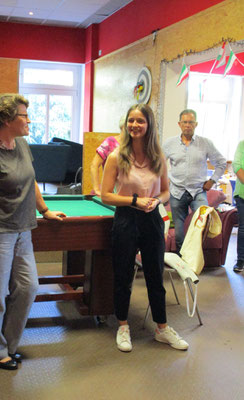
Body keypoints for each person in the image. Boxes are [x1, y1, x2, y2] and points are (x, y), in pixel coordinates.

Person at [0, 93, 66, 370]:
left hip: (24, 231)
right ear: (6, 119)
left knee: (27, 287)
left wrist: (44, 209)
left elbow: (31, 179)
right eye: (24, 115)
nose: (28, 120)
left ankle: (8, 345)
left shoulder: (22, 145)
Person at [101, 103, 189, 352]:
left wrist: (155, 201)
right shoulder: (116, 156)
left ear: (149, 125)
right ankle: (123, 326)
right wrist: (134, 201)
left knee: (154, 274)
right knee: (123, 275)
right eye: (131, 120)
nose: (134, 125)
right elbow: (106, 195)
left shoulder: (158, 157)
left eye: (140, 121)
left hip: (151, 219)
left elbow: (165, 192)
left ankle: (162, 328)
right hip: (126, 218)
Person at [163, 109, 226, 252]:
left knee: (202, 223)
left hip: (198, 191)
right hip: (177, 192)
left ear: (196, 124)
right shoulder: (169, 144)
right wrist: (164, 181)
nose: (187, 125)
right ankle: (181, 260)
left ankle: (195, 257)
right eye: (184, 122)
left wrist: (212, 181)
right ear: (179, 124)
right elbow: (158, 164)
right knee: (179, 230)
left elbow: (221, 163)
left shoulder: (205, 143)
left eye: (191, 122)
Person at [90, 115, 125, 196]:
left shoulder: (134, 145)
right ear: (122, 126)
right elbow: (94, 165)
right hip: (110, 192)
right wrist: (96, 189)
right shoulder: (110, 142)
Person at [232, 140, 244, 272]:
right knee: (243, 228)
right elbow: (237, 166)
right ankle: (241, 259)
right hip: (242, 194)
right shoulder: (242, 145)